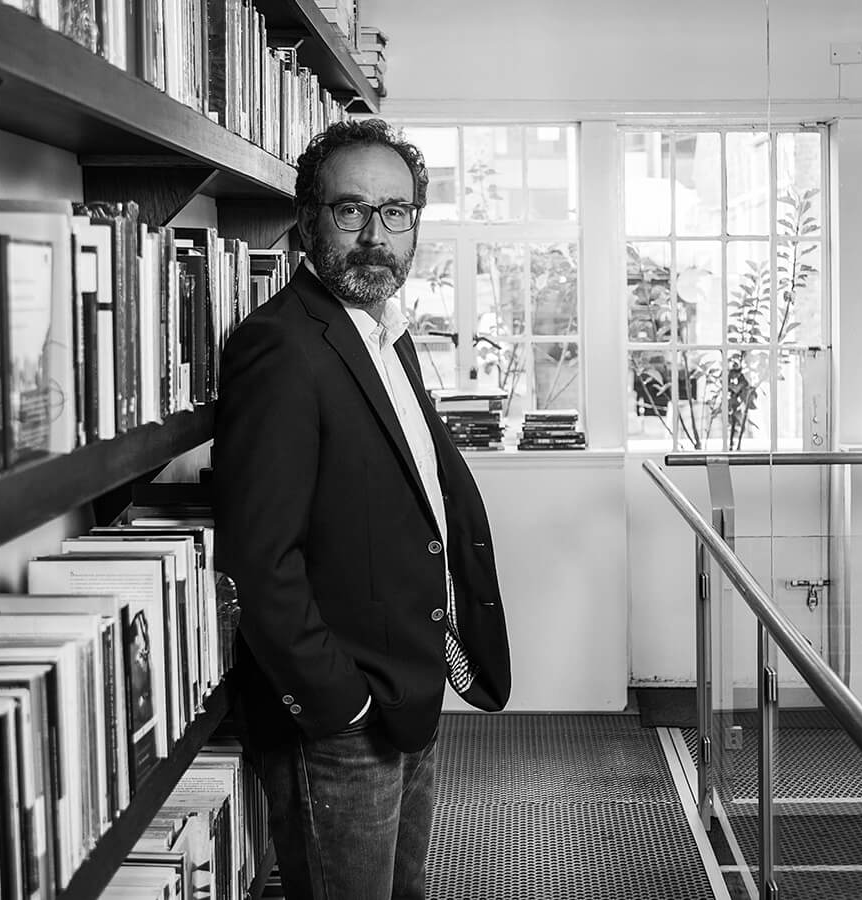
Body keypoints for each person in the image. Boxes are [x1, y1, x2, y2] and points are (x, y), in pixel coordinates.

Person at [212, 118, 512, 900]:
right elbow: (259, 559)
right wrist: (340, 705)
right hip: (342, 722)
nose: (375, 235)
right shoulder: (281, 346)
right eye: (351, 210)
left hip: (408, 690)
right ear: (309, 220)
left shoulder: (387, 334)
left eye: (395, 212)